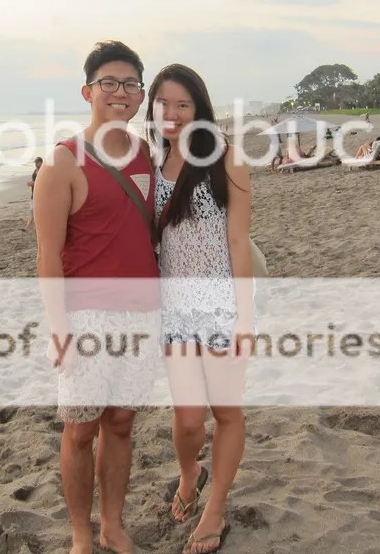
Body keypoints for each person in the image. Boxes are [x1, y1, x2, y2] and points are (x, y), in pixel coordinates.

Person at [32, 41, 160, 554]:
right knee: (80, 429)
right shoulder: (62, 162)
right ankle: (81, 533)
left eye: (130, 84)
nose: (120, 92)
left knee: (122, 424)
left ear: (141, 94)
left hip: (143, 313)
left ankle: (111, 524)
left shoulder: (147, 154)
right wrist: (59, 329)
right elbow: (47, 255)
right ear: (88, 92)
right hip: (86, 317)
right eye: (109, 83)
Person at [147, 64, 253, 554]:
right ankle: (190, 472)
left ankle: (215, 509)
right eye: (163, 103)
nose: (172, 113)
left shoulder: (226, 157)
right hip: (174, 310)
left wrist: (244, 317)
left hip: (220, 304)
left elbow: (238, 241)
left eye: (183, 104)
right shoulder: (150, 163)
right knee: (188, 419)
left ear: (199, 108)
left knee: (226, 412)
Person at [23, 157, 44, 230]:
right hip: (34, 193)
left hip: (40, 194)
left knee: (38, 211)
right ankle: (27, 226)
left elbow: (43, 182)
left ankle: (31, 226)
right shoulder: (35, 170)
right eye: (35, 162)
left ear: (41, 162)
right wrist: (31, 183)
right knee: (31, 210)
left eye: (37, 162)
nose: (36, 164)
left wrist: (34, 183)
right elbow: (34, 181)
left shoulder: (43, 171)